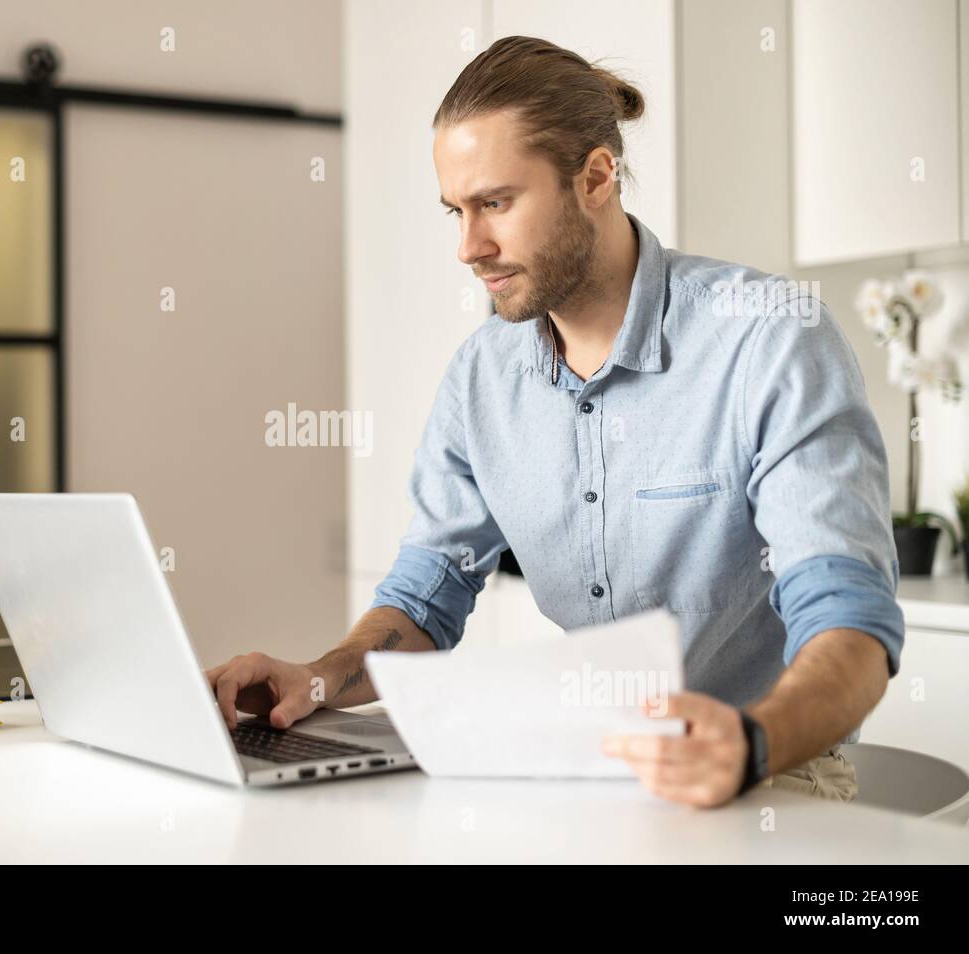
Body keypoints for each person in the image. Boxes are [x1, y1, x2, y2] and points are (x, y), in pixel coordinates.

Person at [205, 35, 902, 808]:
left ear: (596, 176)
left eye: (496, 203)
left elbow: (850, 619)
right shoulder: (482, 377)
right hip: (587, 766)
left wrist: (752, 745)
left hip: (772, 773)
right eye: (456, 211)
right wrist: (319, 677)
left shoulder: (767, 338)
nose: (470, 247)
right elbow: (427, 593)